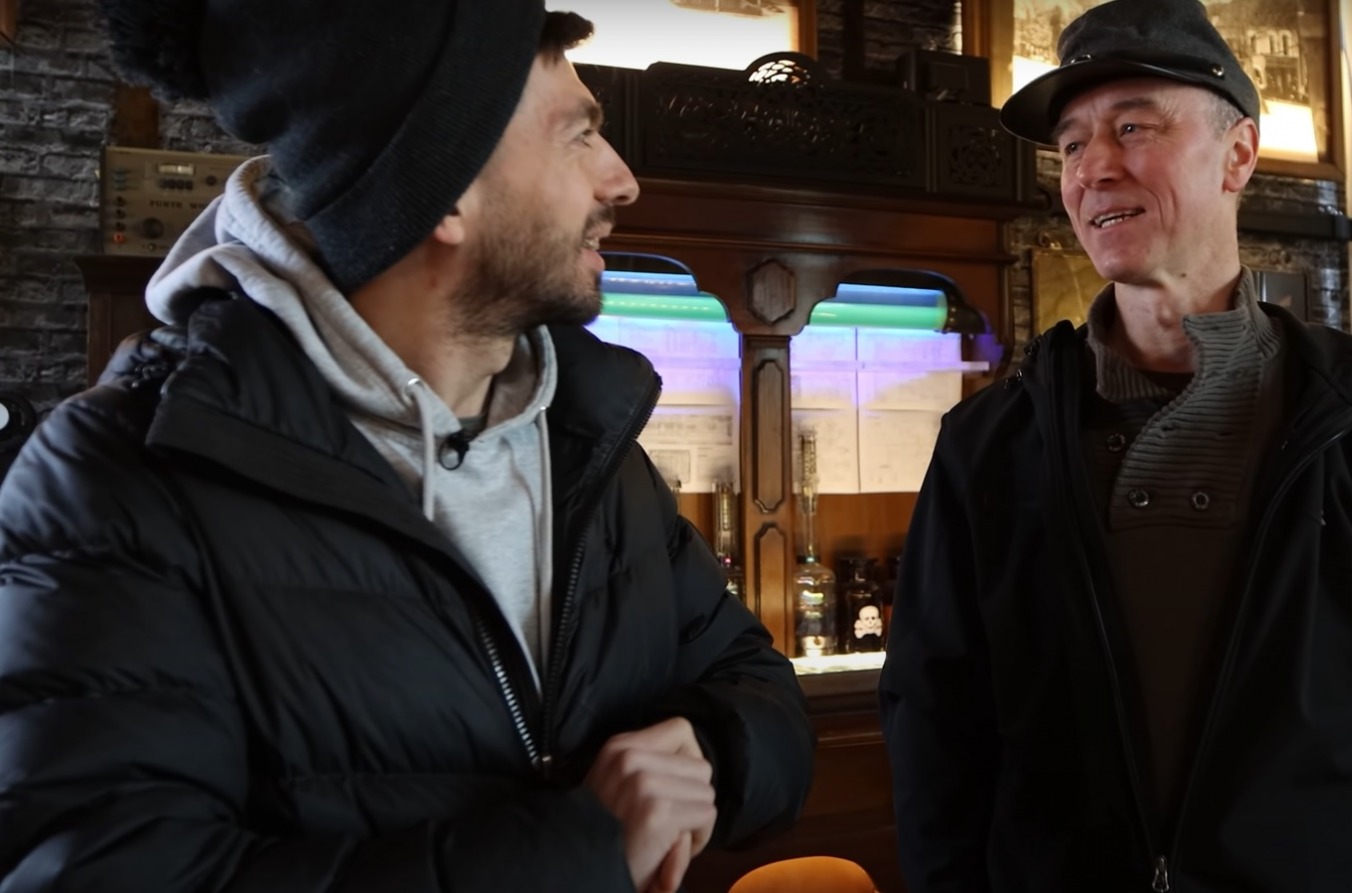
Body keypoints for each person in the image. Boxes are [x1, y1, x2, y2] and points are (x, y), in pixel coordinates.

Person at [0, 3, 814, 890]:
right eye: (579, 136)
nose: (620, 181)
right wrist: (578, 853)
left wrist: (704, 753)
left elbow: (755, 683)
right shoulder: (119, 482)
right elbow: (103, 867)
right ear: (445, 187)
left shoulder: (585, 434)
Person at [879, 1, 1352, 891]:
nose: (1093, 167)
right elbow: (933, 730)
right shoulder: (989, 446)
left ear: (1239, 155)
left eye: (1133, 127)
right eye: (1071, 145)